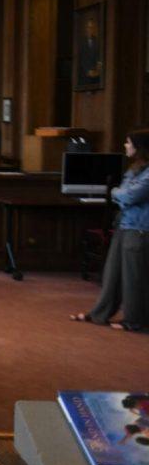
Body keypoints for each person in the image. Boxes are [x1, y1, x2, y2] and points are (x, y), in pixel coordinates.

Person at [70, 128, 149, 331]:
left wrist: (115, 192)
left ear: (140, 147)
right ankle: (99, 314)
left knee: (133, 277)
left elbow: (129, 196)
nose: (125, 145)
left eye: (128, 142)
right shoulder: (135, 169)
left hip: (139, 228)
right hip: (124, 225)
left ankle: (133, 321)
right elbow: (125, 194)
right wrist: (120, 193)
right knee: (112, 273)